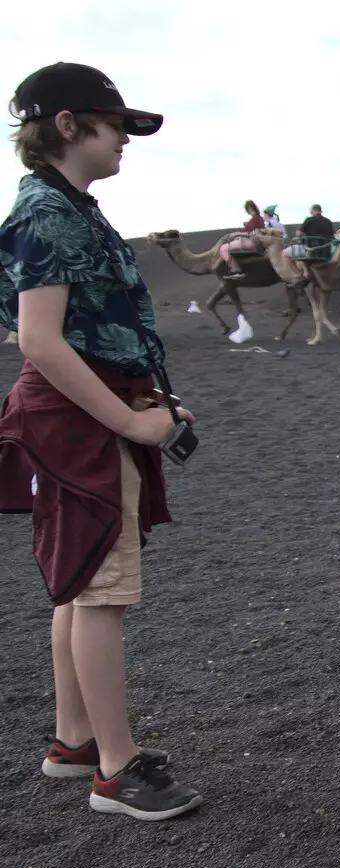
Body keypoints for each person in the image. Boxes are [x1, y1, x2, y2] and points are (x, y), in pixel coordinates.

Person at [0, 62, 203, 821]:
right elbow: (40, 340)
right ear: (67, 126)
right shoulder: (50, 215)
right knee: (102, 592)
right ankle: (115, 773)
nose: (125, 140)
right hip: (79, 418)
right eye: (117, 126)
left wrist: (155, 401)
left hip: (84, 409)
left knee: (81, 580)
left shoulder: (64, 207)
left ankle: (75, 740)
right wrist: (128, 421)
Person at [219, 199, 263, 278]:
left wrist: (237, 234)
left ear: (250, 208)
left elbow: (251, 233)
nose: (247, 211)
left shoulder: (256, 218)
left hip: (250, 242)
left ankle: (235, 269)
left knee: (223, 248)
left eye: (247, 209)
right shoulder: (257, 218)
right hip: (251, 241)